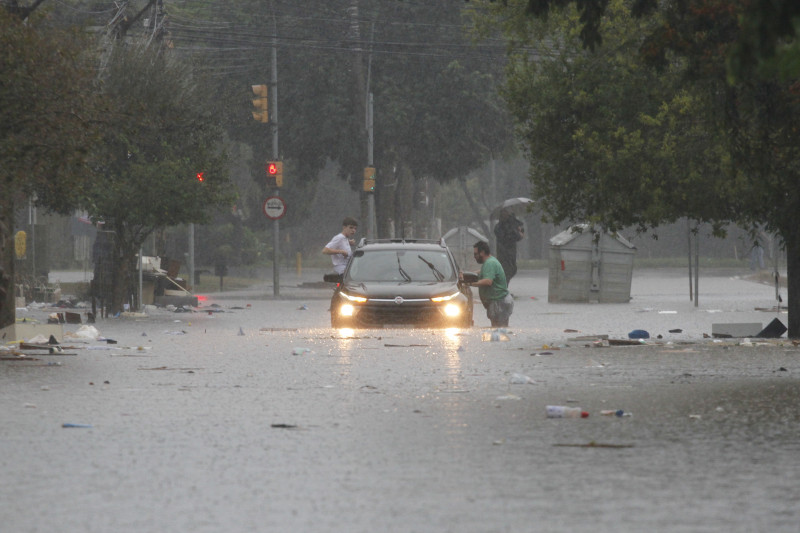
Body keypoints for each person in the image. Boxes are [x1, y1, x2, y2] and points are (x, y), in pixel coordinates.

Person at [470, 240, 514, 327]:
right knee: (499, 331)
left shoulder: (490, 263)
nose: (474, 257)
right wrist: (468, 275)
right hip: (500, 302)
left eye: (475, 254)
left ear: (482, 253)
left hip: (499, 303)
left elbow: (488, 281)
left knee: (498, 331)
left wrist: (470, 283)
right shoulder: (490, 262)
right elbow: (482, 272)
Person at [493, 208, 524, 285]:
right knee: (506, 271)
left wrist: (519, 231)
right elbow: (510, 237)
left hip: (510, 252)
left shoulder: (510, 224)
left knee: (512, 270)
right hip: (504, 253)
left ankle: (503, 287)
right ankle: (502, 287)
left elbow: (517, 236)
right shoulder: (500, 227)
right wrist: (518, 233)